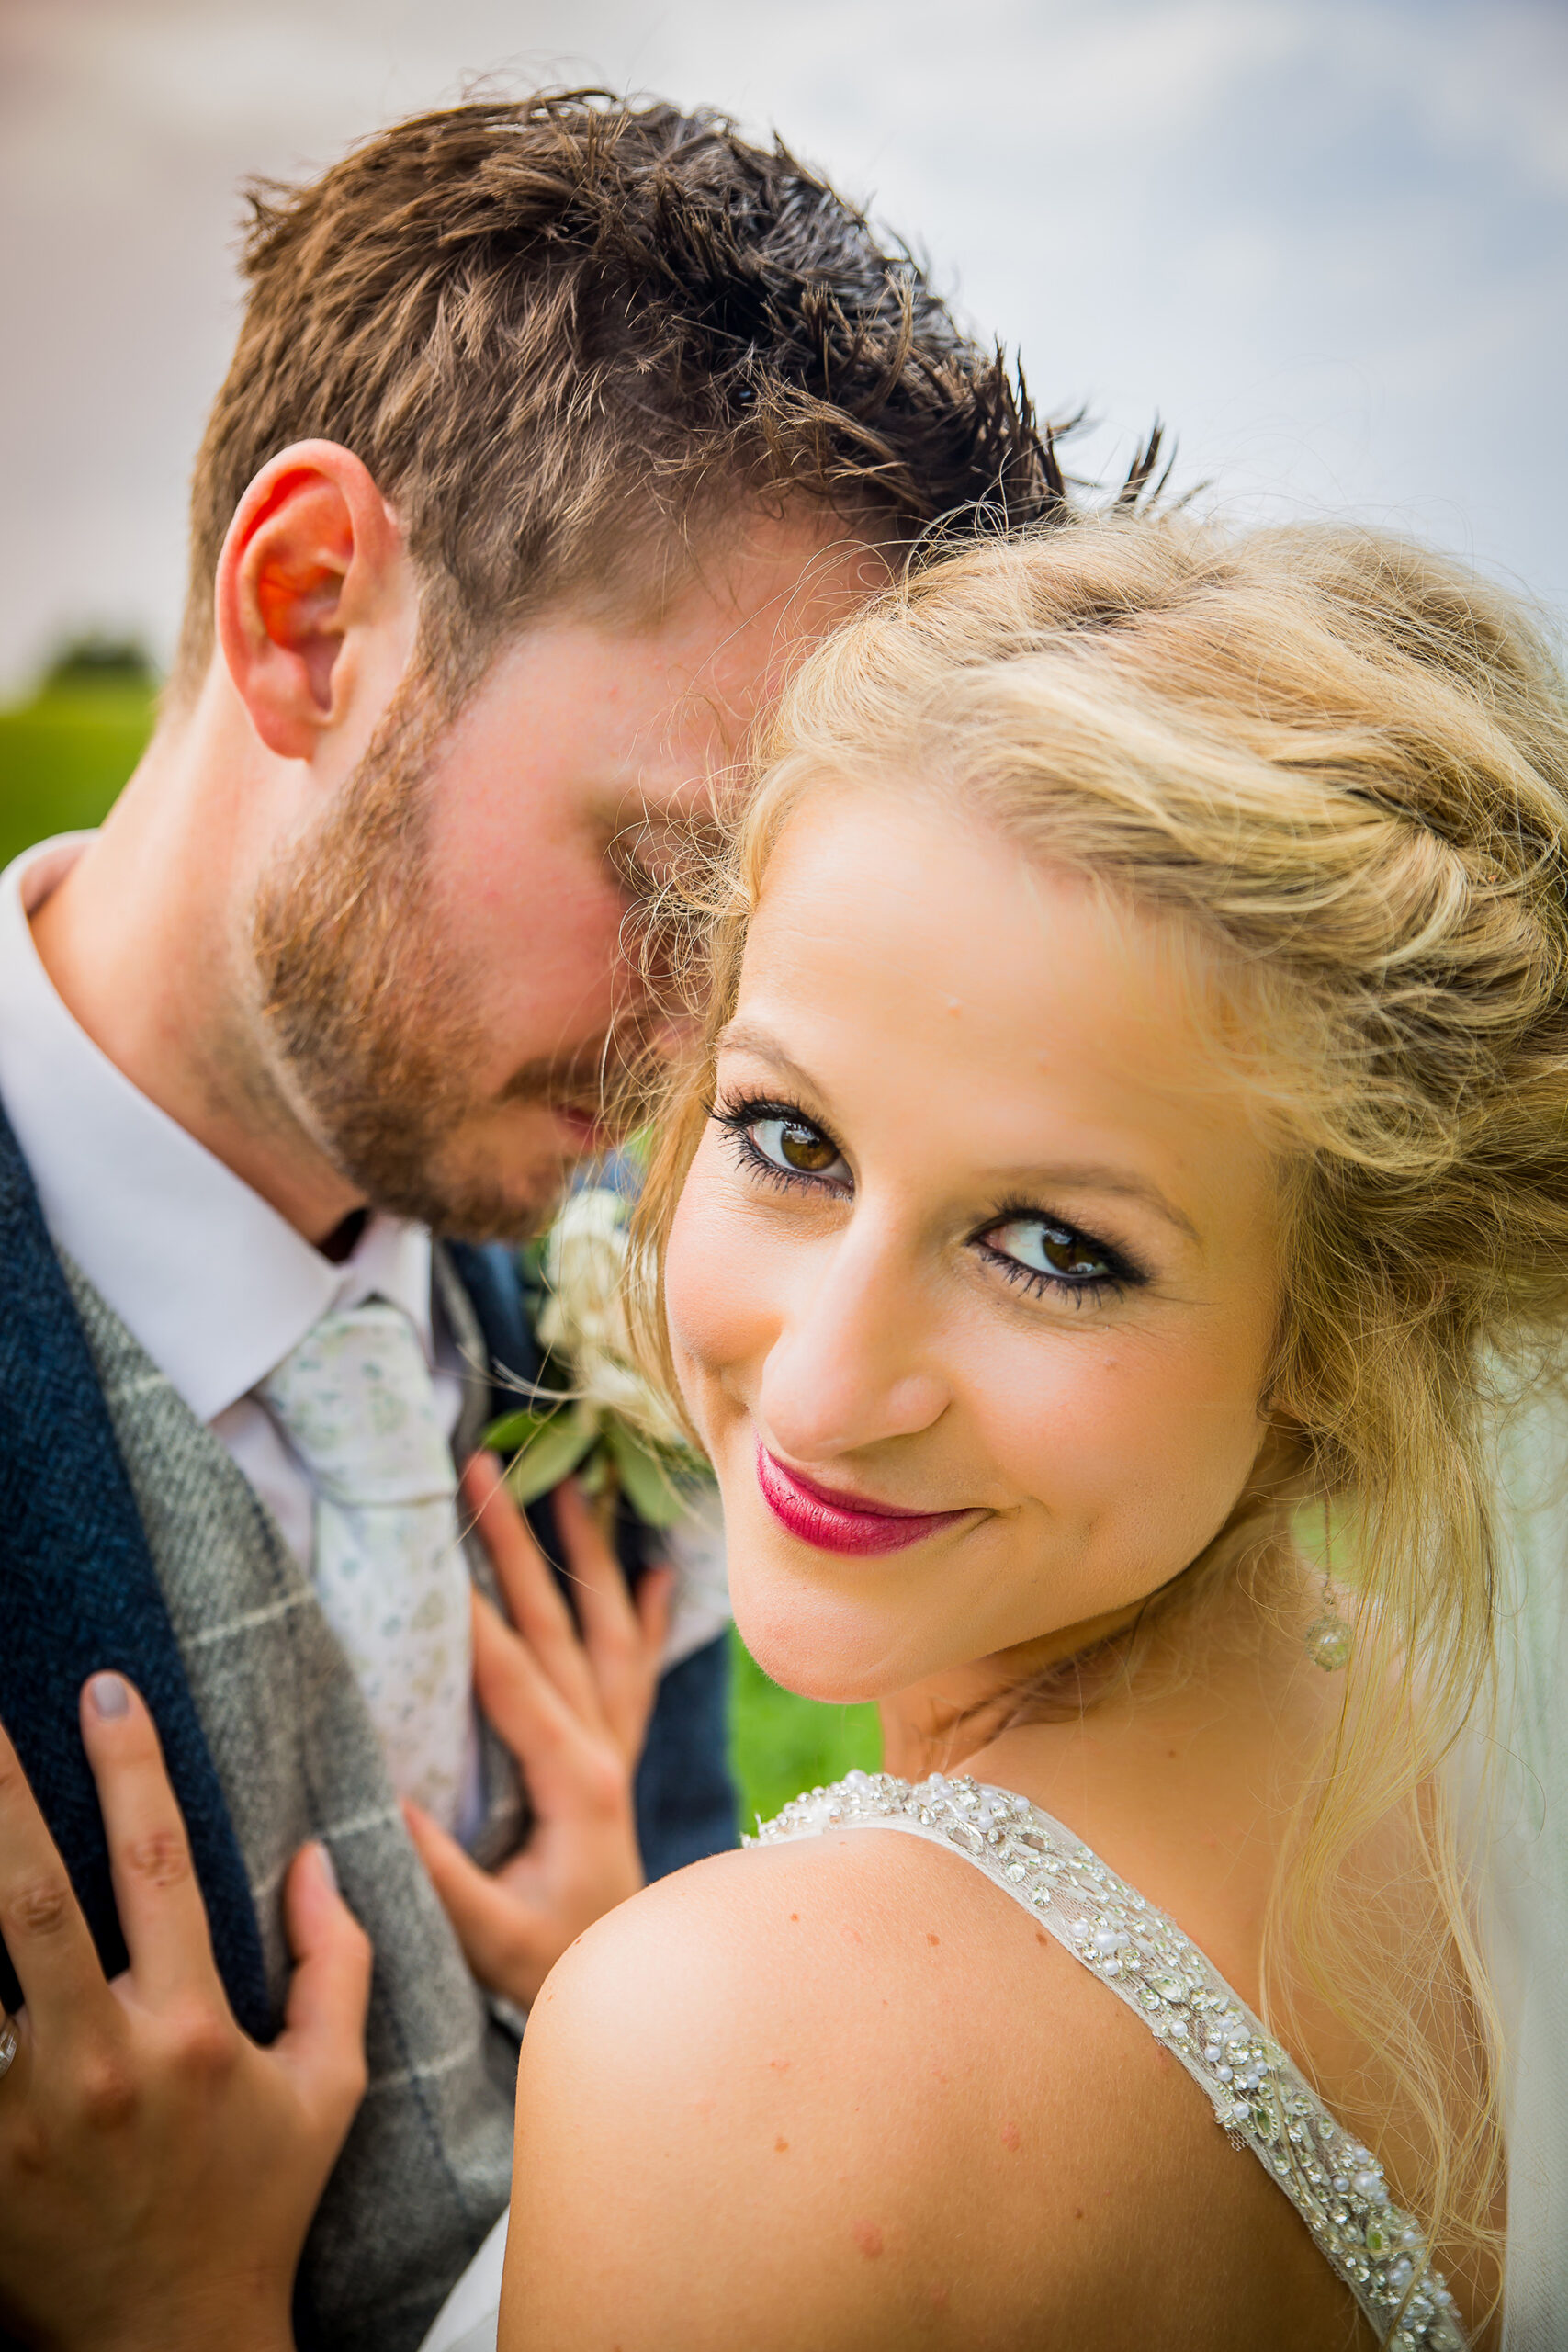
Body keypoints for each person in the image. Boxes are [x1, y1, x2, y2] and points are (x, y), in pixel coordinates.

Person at [8, 509, 1563, 2348]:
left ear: (1341, 1318)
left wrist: (168, 2315)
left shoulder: (735, 2057)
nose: (821, 1386)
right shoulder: (1441, 1750)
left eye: (1057, 1247)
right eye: (788, 1137)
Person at [0, 92, 1063, 2352]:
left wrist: (632, 1989)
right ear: (308, 620)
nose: (712, 1050)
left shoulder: (649, 1318)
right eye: (670, 879)